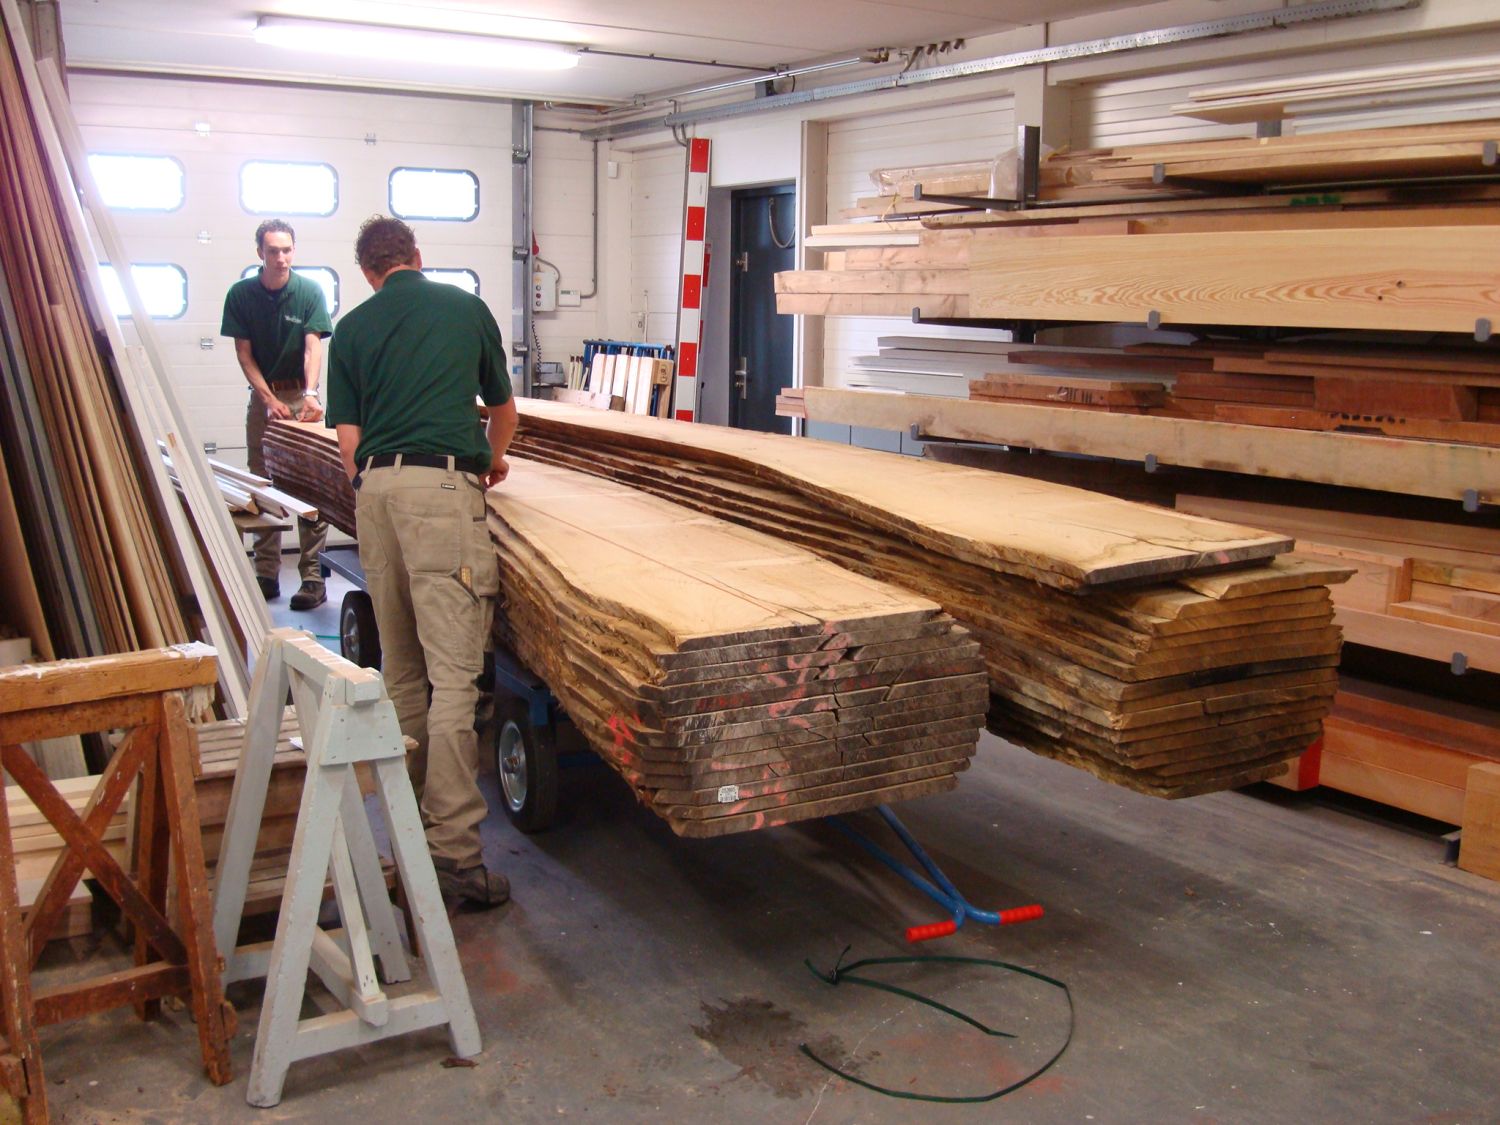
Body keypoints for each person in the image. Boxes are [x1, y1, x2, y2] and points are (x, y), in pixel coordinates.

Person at [326, 215, 518, 909]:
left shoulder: (350, 329)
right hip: (441, 492)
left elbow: (348, 443)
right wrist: (492, 460)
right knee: (455, 679)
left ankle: (406, 838)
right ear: (416, 255)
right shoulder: (465, 308)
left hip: (375, 495)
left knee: (402, 672)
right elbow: (503, 410)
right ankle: (455, 855)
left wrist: (374, 486)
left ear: (369, 272)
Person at [220, 219, 333, 609]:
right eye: (273, 251)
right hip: (264, 397)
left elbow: (313, 347)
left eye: (286, 250)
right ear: (260, 253)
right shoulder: (241, 295)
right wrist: (268, 399)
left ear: (293, 251)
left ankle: (313, 578)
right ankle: (266, 573)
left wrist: (310, 394)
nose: (281, 258)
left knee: (312, 485)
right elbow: (244, 354)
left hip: (303, 396)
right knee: (262, 483)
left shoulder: (309, 292)